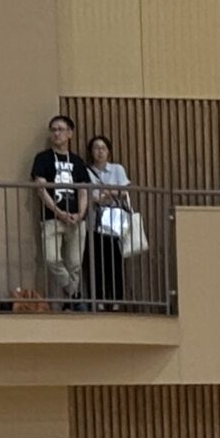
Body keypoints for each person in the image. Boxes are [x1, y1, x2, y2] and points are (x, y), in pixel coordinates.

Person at [31, 114, 91, 306]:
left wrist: (80, 214)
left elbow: (83, 190)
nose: (56, 134)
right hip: (52, 217)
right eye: (53, 130)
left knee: (75, 263)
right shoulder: (43, 158)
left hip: (76, 219)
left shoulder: (77, 161)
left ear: (70, 133)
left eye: (61, 129)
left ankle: (71, 302)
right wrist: (58, 212)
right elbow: (40, 189)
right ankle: (74, 294)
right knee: (51, 258)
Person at [84, 132, 132, 312]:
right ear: (91, 151)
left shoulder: (117, 169)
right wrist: (99, 197)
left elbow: (124, 191)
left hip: (114, 221)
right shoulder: (86, 171)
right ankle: (99, 299)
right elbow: (86, 195)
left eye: (103, 148)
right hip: (94, 221)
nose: (100, 151)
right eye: (96, 148)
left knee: (115, 261)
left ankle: (117, 299)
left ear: (109, 151)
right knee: (96, 262)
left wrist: (109, 193)